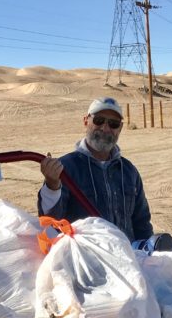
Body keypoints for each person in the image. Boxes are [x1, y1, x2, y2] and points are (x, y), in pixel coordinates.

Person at [37, 96, 153, 242]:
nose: (105, 128)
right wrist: (52, 186)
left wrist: (148, 254)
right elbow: (51, 222)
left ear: (120, 128)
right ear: (86, 121)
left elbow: (142, 223)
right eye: (99, 121)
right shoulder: (65, 168)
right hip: (86, 259)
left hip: (128, 258)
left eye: (113, 124)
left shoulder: (129, 171)